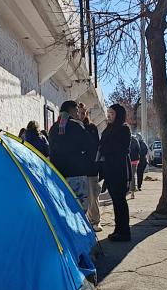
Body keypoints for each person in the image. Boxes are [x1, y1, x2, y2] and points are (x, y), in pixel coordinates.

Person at [49, 100, 98, 213]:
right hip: (76, 174)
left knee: (63, 209)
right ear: (70, 110)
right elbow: (90, 147)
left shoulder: (53, 128)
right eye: (76, 111)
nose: (78, 114)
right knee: (79, 210)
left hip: (59, 175)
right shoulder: (76, 126)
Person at [99, 104, 132, 241]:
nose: (109, 116)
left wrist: (105, 149)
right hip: (110, 170)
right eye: (108, 113)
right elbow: (102, 144)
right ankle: (118, 229)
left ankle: (124, 232)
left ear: (118, 114)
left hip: (119, 170)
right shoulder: (109, 128)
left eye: (112, 113)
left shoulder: (124, 129)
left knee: (120, 202)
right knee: (116, 202)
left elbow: (119, 148)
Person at [78, 102, 102, 231]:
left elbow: (95, 146)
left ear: (86, 113)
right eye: (79, 113)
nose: (81, 115)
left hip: (91, 168)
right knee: (81, 197)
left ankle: (96, 220)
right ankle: (83, 221)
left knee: (93, 196)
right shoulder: (74, 127)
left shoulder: (91, 127)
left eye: (83, 113)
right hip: (78, 169)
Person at [128, 133, 141, 198]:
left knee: (127, 175)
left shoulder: (125, 139)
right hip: (135, 160)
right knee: (133, 175)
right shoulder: (135, 140)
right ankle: (132, 192)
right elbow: (139, 150)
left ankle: (128, 189)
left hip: (128, 160)